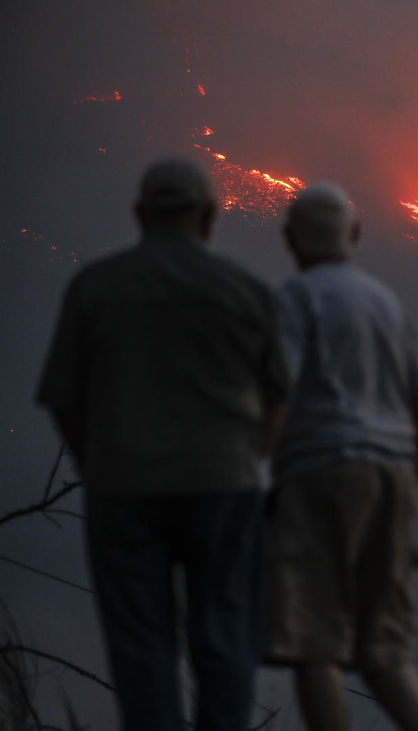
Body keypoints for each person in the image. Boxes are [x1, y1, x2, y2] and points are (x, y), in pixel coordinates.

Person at [35, 157, 290, 731]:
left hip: (124, 487)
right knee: (224, 640)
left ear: (141, 215)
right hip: (224, 486)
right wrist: (251, 458)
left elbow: (63, 399)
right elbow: (279, 399)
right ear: (210, 217)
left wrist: (96, 465)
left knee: (141, 644)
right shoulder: (246, 291)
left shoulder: (95, 287)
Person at [262, 183, 418, 731]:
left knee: (316, 643)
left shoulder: (295, 297)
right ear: (355, 235)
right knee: (386, 651)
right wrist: (408, 482)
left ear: (290, 238)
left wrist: (255, 472)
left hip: (322, 472)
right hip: (393, 476)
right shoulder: (387, 303)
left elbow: (278, 394)